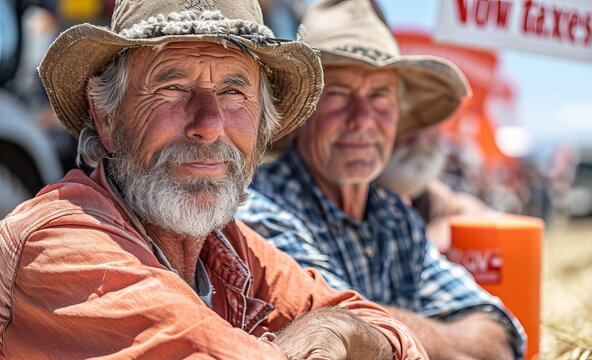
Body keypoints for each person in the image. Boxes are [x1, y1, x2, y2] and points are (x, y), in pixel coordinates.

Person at [0, 0, 428, 358]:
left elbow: (395, 338)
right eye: (172, 86)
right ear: (106, 115)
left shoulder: (226, 246)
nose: (209, 123)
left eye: (233, 92)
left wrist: (341, 330)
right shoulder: (62, 243)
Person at [237, 0, 526, 359]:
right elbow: (338, 332)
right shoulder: (259, 213)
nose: (362, 119)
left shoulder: (393, 216)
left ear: (397, 117)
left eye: (379, 95)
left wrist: (371, 330)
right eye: (339, 94)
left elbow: (501, 334)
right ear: (301, 114)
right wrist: (444, 337)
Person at [377, 126, 498, 252]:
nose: (421, 140)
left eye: (431, 129)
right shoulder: (368, 194)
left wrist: (439, 232)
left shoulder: (424, 190)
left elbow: (470, 209)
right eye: (410, 131)